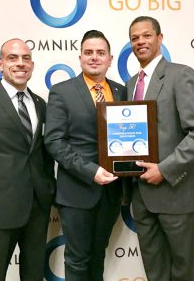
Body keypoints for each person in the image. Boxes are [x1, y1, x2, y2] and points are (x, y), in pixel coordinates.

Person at [44, 30, 127, 281]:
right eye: (88, 53)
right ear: (80, 57)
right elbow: (54, 142)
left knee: (98, 256)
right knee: (78, 261)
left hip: (111, 193)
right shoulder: (62, 91)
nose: (94, 58)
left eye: (100, 53)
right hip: (77, 192)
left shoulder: (121, 92)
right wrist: (91, 171)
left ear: (110, 59)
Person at [127, 16, 194, 281]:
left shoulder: (181, 74)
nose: (140, 42)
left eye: (146, 35)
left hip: (175, 193)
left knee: (184, 269)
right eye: (134, 38)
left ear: (160, 38)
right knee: (154, 270)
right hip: (140, 195)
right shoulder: (132, 83)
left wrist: (165, 170)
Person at [0, 38, 55, 281]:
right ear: (0, 64)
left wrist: (48, 189)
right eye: (13, 58)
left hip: (37, 209)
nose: (20, 63)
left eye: (26, 58)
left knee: (33, 275)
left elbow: (44, 154)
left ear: (32, 64)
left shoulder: (40, 103)